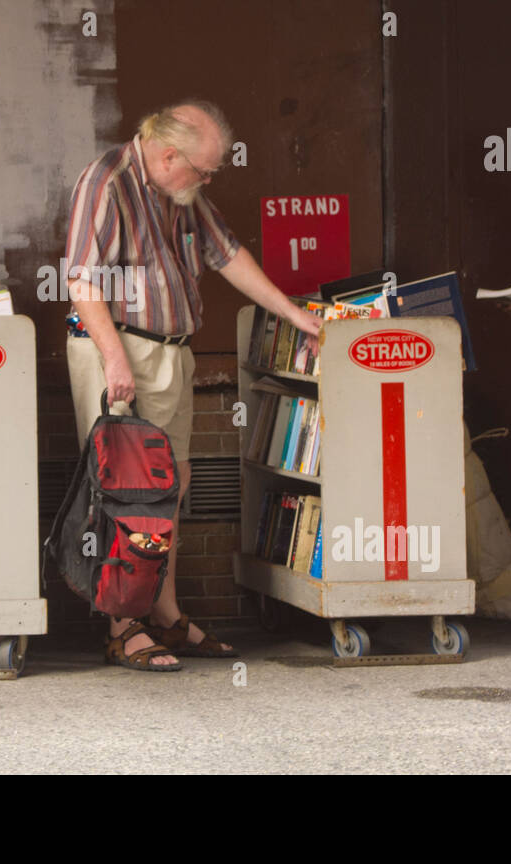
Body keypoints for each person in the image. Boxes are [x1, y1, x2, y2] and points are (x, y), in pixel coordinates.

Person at [64, 100, 322, 670]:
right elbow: (81, 280)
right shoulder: (105, 182)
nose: (207, 181)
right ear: (168, 153)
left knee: (169, 491)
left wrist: (295, 316)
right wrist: (115, 361)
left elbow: (228, 255)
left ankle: (163, 612)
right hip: (120, 349)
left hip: (171, 354)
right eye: (203, 170)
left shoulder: (180, 192)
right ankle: (122, 625)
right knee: (126, 494)